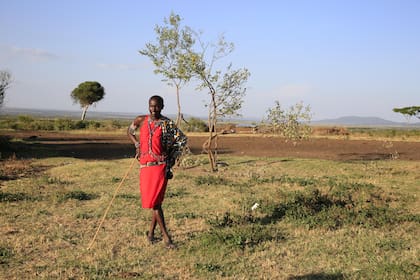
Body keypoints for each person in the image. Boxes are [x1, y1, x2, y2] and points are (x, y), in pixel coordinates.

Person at [127, 95, 187, 249]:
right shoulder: (141, 120)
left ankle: (167, 239)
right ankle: (151, 234)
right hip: (145, 167)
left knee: (155, 203)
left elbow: (182, 139)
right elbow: (129, 131)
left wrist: (172, 159)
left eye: (157, 106)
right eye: (151, 106)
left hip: (160, 166)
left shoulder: (167, 124)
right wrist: (137, 145)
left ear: (162, 106)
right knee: (155, 202)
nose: (154, 109)